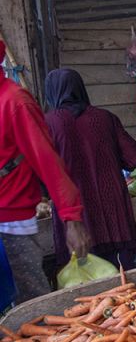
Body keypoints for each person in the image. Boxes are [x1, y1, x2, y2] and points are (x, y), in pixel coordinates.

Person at [0, 40, 91, 302]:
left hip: (11, 222)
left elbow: (49, 162)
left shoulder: (15, 101)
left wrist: (71, 218)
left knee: (30, 304)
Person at [45, 68, 136, 270]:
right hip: (113, 215)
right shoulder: (105, 118)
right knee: (123, 278)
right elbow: (133, 157)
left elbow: (42, 175)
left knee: (86, 283)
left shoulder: (48, 124)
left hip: (76, 218)